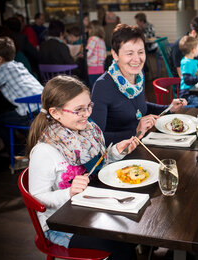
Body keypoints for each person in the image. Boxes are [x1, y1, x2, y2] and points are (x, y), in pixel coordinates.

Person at [27, 75, 138, 258]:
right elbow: (37, 197)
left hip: (90, 208)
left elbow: (96, 167)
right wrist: (68, 192)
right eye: (79, 110)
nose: (87, 114)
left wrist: (116, 152)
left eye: (88, 107)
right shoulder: (44, 152)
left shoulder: (89, 132)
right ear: (56, 113)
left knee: (132, 229)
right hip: (62, 227)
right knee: (123, 244)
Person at [91, 24, 186, 145]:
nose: (137, 59)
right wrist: (135, 131)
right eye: (129, 53)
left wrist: (169, 108)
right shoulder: (102, 86)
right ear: (115, 55)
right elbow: (96, 138)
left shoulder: (139, 76)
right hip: (119, 154)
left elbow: (138, 107)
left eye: (140, 52)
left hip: (142, 143)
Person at [0, 37, 43, 154]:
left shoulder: (3, 70)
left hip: (29, 113)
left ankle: (19, 152)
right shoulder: (17, 65)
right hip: (42, 108)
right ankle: (30, 147)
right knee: (11, 116)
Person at [86, 20, 106, 89]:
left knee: (93, 88)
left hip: (92, 67)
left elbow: (88, 54)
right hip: (100, 68)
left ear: (91, 29)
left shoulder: (92, 39)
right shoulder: (101, 40)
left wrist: (83, 54)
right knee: (99, 88)